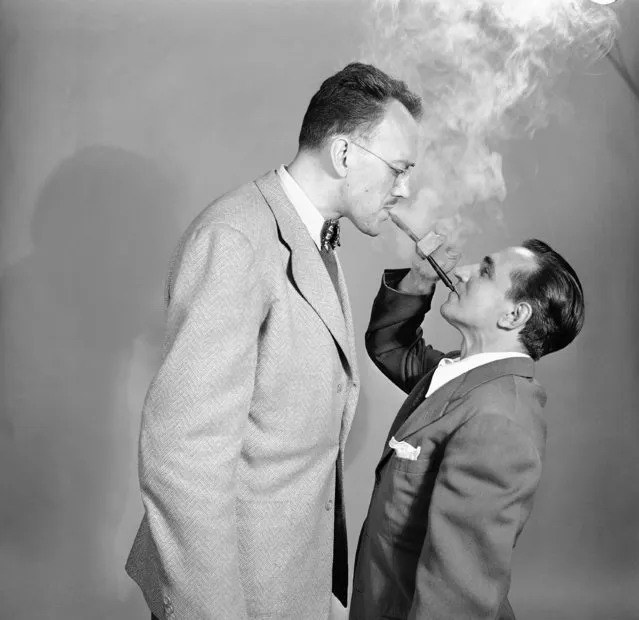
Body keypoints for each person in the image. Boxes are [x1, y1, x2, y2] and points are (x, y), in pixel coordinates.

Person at [125, 62, 423, 620]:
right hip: (234, 594)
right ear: (343, 155)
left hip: (292, 581)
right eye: (399, 169)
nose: (404, 190)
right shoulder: (236, 239)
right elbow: (183, 459)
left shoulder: (313, 236)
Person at [350, 238, 585, 620]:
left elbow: (456, 595)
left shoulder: (498, 419)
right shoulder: (462, 379)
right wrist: (420, 279)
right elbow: (391, 346)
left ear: (514, 316)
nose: (461, 272)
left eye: (486, 271)